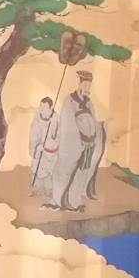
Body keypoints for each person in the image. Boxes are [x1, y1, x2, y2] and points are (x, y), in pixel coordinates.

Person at [47, 71, 106, 212]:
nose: (87, 88)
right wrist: (77, 142)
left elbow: (93, 120)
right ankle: (62, 200)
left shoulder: (89, 103)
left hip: (89, 145)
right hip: (75, 145)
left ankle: (75, 201)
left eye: (89, 86)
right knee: (68, 171)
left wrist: (97, 131)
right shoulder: (69, 101)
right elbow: (68, 124)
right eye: (85, 85)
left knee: (82, 173)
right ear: (79, 84)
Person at [28, 95, 57, 197]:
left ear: (51, 108)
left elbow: (58, 136)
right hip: (40, 151)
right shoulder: (37, 118)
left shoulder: (56, 118)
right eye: (41, 107)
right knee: (37, 170)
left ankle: (50, 191)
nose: (42, 110)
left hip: (52, 153)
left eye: (45, 108)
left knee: (50, 174)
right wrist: (37, 146)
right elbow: (33, 134)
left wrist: (53, 125)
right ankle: (36, 190)